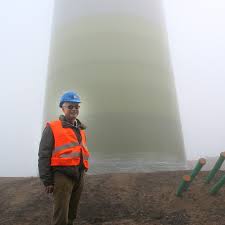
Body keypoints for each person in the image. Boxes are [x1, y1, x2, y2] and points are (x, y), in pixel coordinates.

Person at [38, 91, 90, 225]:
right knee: (61, 215)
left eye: (76, 106)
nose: (74, 109)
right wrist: (47, 180)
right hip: (62, 176)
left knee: (72, 213)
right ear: (62, 108)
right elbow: (44, 154)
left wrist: (83, 170)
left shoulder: (80, 129)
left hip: (79, 175)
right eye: (70, 106)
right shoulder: (53, 127)